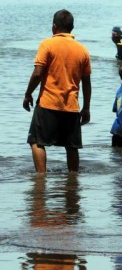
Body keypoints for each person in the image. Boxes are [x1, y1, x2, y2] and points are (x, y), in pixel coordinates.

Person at [23, 9, 92, 173]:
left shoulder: (47, 44)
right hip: (71, 106)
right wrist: (86, 107)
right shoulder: (82, 50)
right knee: (71, 146)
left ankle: (41, 178)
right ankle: (73, 178)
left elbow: (37, 74)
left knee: (37, 141)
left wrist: (28, 94)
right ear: (72, 27)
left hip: (48, 104)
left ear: (54, 27)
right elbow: (87, 83)